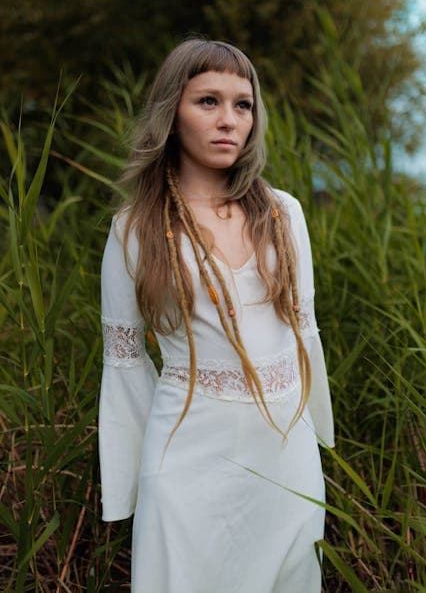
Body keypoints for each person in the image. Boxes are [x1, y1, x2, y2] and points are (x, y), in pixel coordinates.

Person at [98, 38, 334, 593]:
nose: (229, 120)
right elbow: (125, 364)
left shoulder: (283, 214)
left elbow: (305, 335)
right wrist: (128, 486)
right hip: (185, 460)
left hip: (284, 456)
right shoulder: (133, 230)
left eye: (242, 104)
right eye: (208, 101)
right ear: (171, 113)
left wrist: (315, 437)